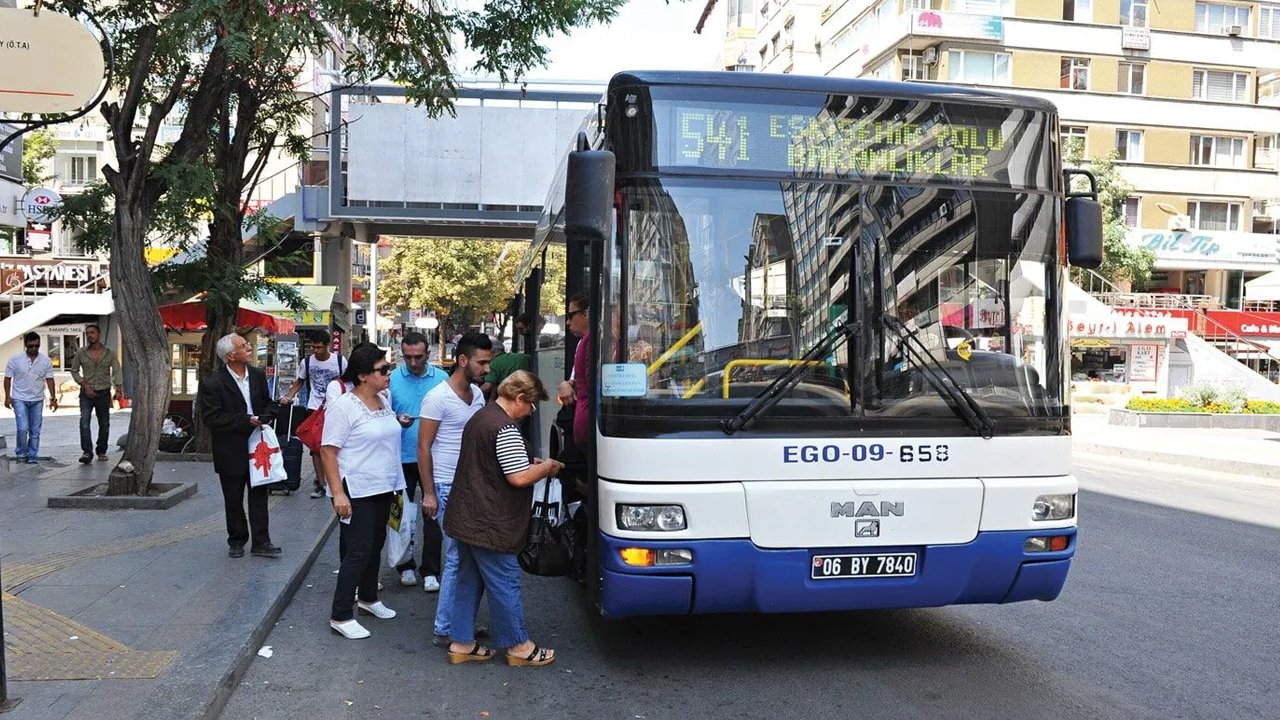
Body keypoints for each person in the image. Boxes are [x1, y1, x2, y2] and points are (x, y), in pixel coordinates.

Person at [442, 371, 563, 667]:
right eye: (531, 405)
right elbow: (519, 477)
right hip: (490, 522)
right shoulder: (505, 427)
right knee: (504, 581)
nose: (531, 411)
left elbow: (490, 463)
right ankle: (520, 646)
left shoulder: (482, 417)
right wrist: (546, 467)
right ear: (519, 399)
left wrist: (526, 463)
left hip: (466, 515)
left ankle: (461, 642)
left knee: (468, 581)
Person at [320, 345, 404, 639]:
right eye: (383, 370)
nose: (388, 375)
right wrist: (338, 493)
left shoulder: (384, 399)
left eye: (388, 368)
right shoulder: (344, 406)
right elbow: (328, 451)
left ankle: (369, 599)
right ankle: (340, 615)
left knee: (375, 545)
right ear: (363, 375)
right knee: (358, 551)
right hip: (357, 489)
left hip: (385, 486)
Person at [418, 332, 493, 647]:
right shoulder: (437, 397)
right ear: (463, 360)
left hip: (469, 486)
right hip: (447, 487)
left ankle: (457, 623)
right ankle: (446, 627)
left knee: (466, 558)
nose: (487, 368)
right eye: (482, 362)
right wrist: (429, 493)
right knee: (457, 558)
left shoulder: (476, 393)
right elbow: (424, 447)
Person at [198, 333, 282, 559]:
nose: (249, 349)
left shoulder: (256, 375)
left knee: (259, 494)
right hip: (230, 448)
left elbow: (267, 402)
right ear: (231, 355)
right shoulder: (213, 383)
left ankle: (262, 541)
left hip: (258, 446)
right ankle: (236, 540)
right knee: (233, 497)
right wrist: (246, 420)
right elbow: (211, 418)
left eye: (247, 345)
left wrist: (268, 415)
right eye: (244, 346)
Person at [388, 332, 448, 591]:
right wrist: (395, 418)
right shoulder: (391, 379)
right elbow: (379, 413)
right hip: (400, 456)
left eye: (419, 357)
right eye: (408, 357)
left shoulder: (442, 380)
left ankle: (431, 570)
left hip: (434, 457)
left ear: (429, 354)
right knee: (401, 514)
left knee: (433, 513)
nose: (413, 362)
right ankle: (405, 565)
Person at [279, 330, 347, 499]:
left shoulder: (339, 361)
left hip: (336, 407)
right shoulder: (307, 362)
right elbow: (300, 381)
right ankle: (320, 482)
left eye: (319, 347)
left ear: (327, 346)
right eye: (313, 347)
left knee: (335, 445)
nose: (315, 351)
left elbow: (348, 381)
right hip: (314, 409)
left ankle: (335, 479)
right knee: (315, 448)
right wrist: (288, 396)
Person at [68, 323, 125, 464]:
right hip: (86, 393)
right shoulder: (81, 353)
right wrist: (84, 384)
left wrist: (119, 389)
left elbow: (116, 370)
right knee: (84, 422)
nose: (90, 335)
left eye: (92, 332)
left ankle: (101, 450)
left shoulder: (109, 353)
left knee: (104, 423)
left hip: (103, 392)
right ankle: (87, 451)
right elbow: (74, 370)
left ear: (99, 334)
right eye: (87, 333)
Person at [4, 331, 58, 465]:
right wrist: (7, 397)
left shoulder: (45, 361)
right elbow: (7, 378)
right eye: (31, 346)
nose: (34, 349)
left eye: (36, 346)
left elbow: (50, 379)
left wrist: (53, 398)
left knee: (35, 430)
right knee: (22, 428)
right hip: (19, 398)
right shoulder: (15, 360)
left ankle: (33, 455)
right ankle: (21, 453)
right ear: (25, 345)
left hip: (37, 399)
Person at [556, 293, 592, 446]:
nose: (568, 322)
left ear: (586, 313)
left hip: (587, 425)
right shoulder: (582, 343)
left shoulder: (595, 342)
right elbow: (575, 379)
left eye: (571, 315)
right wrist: (566, 384)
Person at [481, 336, 531, 401]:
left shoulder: (494, 363)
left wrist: (474, 393)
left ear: (492, 352)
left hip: (510, 397)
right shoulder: (523, 357)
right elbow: (495, 386)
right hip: (527, 393)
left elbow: (487, 387)